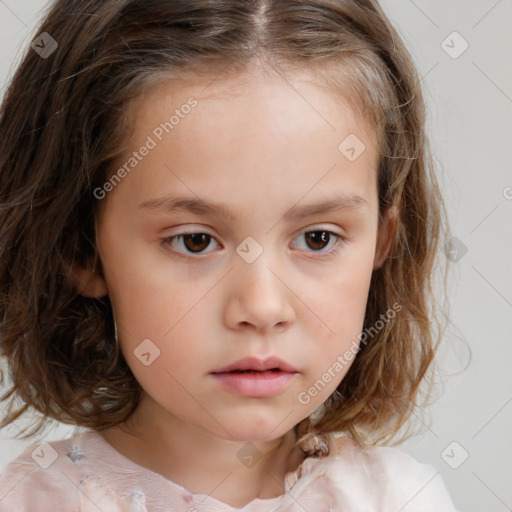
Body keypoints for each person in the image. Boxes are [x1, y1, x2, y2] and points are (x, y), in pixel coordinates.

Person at [0, 0, 456, 510]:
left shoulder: (399, 500)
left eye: (317, 238)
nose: (262, 308)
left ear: (383, 239)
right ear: (81, 248)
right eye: (195, 241)